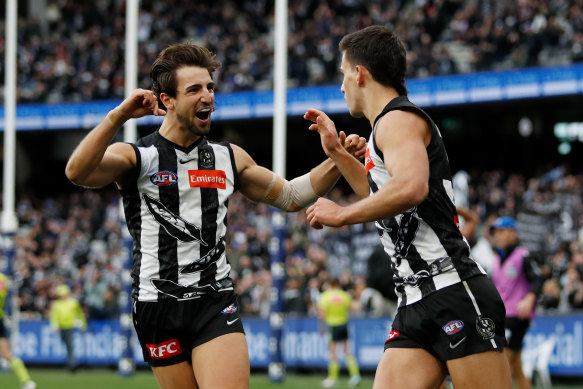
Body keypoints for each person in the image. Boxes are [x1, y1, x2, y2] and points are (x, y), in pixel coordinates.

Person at [65, 43, 365, 389]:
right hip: (156, 307)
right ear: (167, 100)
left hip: (214, 302)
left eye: (210, 87)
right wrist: (118, 116)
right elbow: (78, 173)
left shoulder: (229, 158)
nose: (207, 96)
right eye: (194, 89)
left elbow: (292, 196)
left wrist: (337, 157)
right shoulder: (139, 156)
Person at [304, 25, 512, 389]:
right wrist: (338, 154)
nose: (341, 87)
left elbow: (411, 188)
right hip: (414, 300)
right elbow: (384, 196)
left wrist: (342, 215)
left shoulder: (397, 119)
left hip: (454, 290)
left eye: (342, 75)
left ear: (360, 73)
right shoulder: (384, 130)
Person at [490, 216, 543, 389]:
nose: (498, 236)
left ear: (513, 233)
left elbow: (537, 278)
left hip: (517, 315)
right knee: (515, 366)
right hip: (502, 315)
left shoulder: (523, 255)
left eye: (502, 231)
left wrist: (529, 298)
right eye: (496, 232)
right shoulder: (496, 259)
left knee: (503, 363)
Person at [318, 278, 361, 388]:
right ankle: (355, 375)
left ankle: (333, 378)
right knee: (347, 350)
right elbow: (354, 308)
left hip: (333, 325)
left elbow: (322, 314)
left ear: (330, 284)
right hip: (344, 324)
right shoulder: (344, 295)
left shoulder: (325, 296)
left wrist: (321, 328)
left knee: (333, 352)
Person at [0, 272, 36, 389]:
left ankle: (26, 381)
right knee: (7, 354)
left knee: (6, 354)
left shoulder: (2, 279)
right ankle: (27, 381)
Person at [50, 284, 87, 372]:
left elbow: (80, 314)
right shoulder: (56, 304)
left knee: (70, 345)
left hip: (70, 326)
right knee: (66, 345)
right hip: (62, 327)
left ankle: (72, 364)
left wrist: (83, 324)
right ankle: (71, 362)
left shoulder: (73, 303)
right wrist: (55, 325)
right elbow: (54, 316)